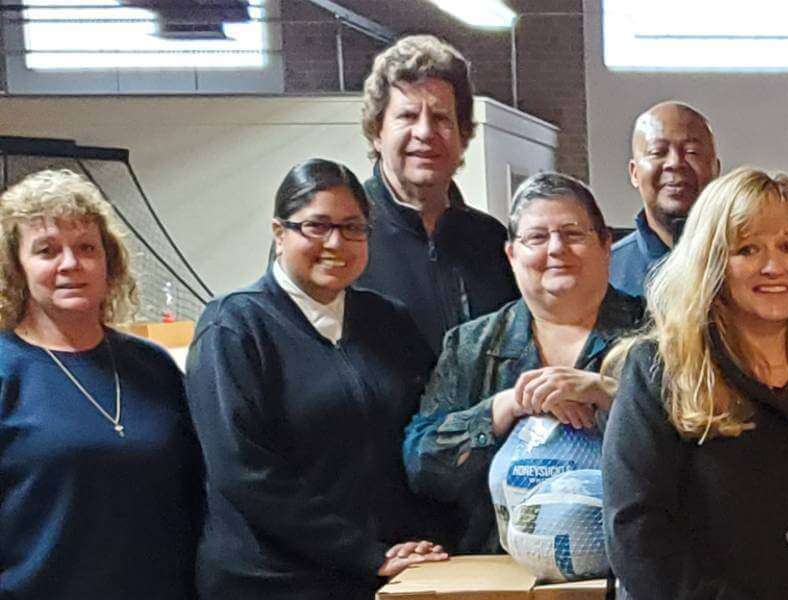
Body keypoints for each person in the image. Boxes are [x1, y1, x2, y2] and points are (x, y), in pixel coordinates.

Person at [603, 167, 788, 599]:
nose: (774, 266)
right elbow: (638, 533)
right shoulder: (660, 369)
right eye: (748, 249)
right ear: (712, 262)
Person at [185, 159, 448, 598]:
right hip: (272, 581)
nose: (336, 243)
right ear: (278, 232)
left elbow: (421, 433)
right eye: (316, 226)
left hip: (373, 576)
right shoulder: (233, 326)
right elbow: (243, 469)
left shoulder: (388, 321)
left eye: (352, 227)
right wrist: (363, 551)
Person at [404, 172, 644, 554]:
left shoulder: (656, 334)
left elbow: (699, 449)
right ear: (511, 254)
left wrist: (611, 395)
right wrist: (503, 408)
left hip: (632, 570)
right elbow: (423, 468)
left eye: (573, 234)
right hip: (501, 573)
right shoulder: (472, 345)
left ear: (605, 244)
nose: (556, 249)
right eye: (536, 237)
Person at [0, 170, 201, 599]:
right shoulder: (5, 373)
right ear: (17, 266)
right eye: (47, 250)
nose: (70, 264)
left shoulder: (153, 367)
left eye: (86, 248)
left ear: (108, 261)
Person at [353, 34, 518, 354]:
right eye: (408, 116)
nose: (425, 132)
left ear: (464, 135)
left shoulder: (492, 242)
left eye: (441, 118)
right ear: (377, 131)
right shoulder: (340, 237)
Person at [612, 101, 722, 297]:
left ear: (716, 170)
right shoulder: (604, 273)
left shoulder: (746, 265)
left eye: (692, 152)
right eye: (658, 152)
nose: (675, 163)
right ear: (634, 173)